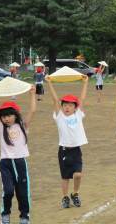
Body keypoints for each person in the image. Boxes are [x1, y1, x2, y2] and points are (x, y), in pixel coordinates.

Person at [0, 86, 36, 224]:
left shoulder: (22, 126)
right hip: (6, 164)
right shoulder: (0, 127)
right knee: (8, 191)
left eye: (8, 115)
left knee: (23, 193)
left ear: (15, 115)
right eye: (3, 116)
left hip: (20, 163)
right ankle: (5, 216)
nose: (6, 119)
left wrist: (32, 94)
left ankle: (24, 217)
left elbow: (32, 110)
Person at [46, 75, 89, 209]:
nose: (67, 107)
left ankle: (75, 193)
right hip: (64, 150)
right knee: (65, 177)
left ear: (75, 107)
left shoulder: (78, 115)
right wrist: (49, 83)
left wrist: (85, 82)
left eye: (70, 105)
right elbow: (54, 99)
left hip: (76, 150)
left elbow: (81, 99)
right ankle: (65, 197)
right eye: (65, 105)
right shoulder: (59, 116)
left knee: (78, 174)